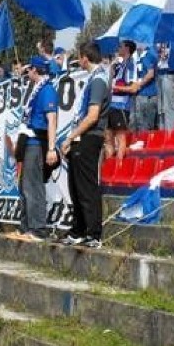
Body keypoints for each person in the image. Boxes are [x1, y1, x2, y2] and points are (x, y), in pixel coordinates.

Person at [61, 42, 110, 248]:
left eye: (79, 58)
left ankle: (93, 233)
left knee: (86, 186)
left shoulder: (98, 80)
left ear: (84, 58)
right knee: (75, 185)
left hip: (89, 137)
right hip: (83, 137)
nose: (78, 62)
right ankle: (78, 230)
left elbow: (92, 116)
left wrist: (71, 137)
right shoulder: (93, 78)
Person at [17, 55, 59, 242]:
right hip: (29, 142)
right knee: (25, 186)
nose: (27, 73)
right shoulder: (35, 89)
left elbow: (52, 119)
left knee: (34, 187)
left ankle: (38, 228)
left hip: (37, 143)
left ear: (35, 70)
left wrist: (51, 148)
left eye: (29, 70)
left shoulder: (47, 90)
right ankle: (26, 227)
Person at [106, 40, 139, 160]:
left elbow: (134, 88)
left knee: (120, 140)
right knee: (108, 139)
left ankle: (119, 169)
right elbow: (110, 85)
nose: (118, 48)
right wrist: (111, 71)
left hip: (121, 107)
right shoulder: (119, 65)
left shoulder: (131, 64)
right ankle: (109, 169)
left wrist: (115, 87)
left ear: (127, 49)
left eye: (120, 46)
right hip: (110, 106)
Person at [134, 44, 159, 132]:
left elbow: (150, 74)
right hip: (140, 94)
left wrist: (139, 84)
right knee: (140, 122)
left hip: (148, 95)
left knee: (147, 124)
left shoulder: (148, 55)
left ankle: (147, 142)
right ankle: (142, 142)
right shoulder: (138, 57)